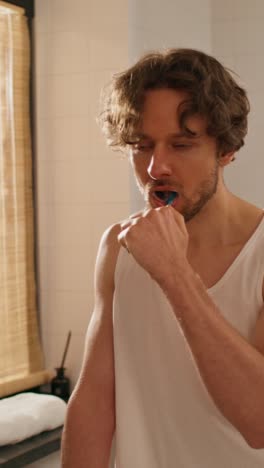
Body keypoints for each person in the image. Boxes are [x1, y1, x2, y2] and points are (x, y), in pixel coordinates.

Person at [61, 48, 264, 467]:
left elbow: (259, 423)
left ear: (225, 150)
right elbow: (96, 403)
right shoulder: (119, 244)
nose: (156, 167)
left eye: (182, 145)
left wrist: (174, 273)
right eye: (142, 146)